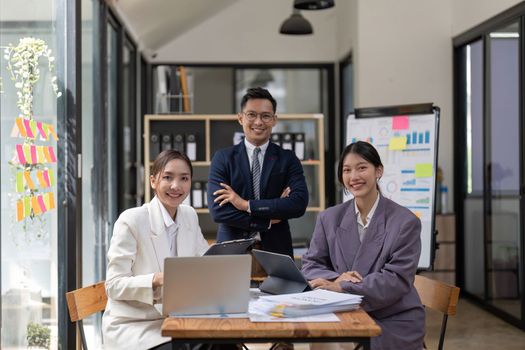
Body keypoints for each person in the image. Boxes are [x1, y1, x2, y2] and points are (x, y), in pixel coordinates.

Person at [301, 141, 425, 350]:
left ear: (378, 171)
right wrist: (337, 279)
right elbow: (310, 264)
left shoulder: (405, 222)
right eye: (347, 170)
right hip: (343, 311)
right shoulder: (329, 217)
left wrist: (342, 286)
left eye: (362, 167)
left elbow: (395, 280)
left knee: (333, 342)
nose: (354, 177)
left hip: (392, 318)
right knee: (319, 336)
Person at [102, 150, 210, 350]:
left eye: (184, 179)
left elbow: (204, 261)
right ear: (153, 181)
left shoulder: (189, 215)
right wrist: (156, 279)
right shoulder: (132, 220)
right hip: (136, 326)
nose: (176, 186)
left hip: (179, 320)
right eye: (167, 177)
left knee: (225, 343)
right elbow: (113, 286)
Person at [207, 87, 309, 258]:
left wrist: (245, 205)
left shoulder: (288, 159)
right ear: (240, 118)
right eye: (251, 114)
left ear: (274, 120)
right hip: (232, 251)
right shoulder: (223, 158)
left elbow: (298, 204)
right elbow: (218, 211)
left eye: (266, 116)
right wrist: (267, 220)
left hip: (276, 250)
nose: (259, 122)